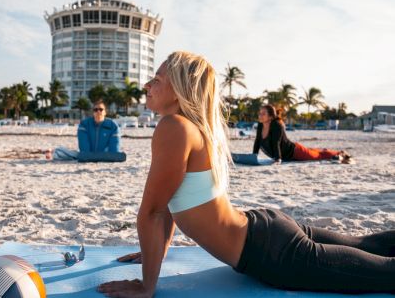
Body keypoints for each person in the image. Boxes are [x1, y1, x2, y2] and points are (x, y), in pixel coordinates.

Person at [97, 51, 395, 297]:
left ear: (178, 91)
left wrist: (147, 286)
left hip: (269, 251)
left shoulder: (174, 127)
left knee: (386, 273)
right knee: (368, 246)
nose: (147, 85)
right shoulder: (191, 128)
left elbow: (151, 212)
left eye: (156, 80)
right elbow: (168, 206)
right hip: (266, 230)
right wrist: (155, 253)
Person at [253, 105, 351, 164]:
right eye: (259, 113)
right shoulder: (261, 125)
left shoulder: (276, 126)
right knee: (314, 152)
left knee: (318, 156)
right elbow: (257, 141)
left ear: (270, 116)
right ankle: (326, 151)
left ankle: (339, 153)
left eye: (263, 114)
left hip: (295, 152)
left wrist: (278, 159)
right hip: (288, 155)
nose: (260, 116)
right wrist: (253, 156)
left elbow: (276, 143)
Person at [46, 100, 122, 160]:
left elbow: (114, 150)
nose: (98, 111)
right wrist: (89, 156)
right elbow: (84, 148)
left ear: (105, 112)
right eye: (96, 110)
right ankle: (53, 152)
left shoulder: (113, 126)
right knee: (60, 151)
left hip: (104, 155)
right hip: (88, 154)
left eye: (101, 109)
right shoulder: (84, 125)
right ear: (93, 112)